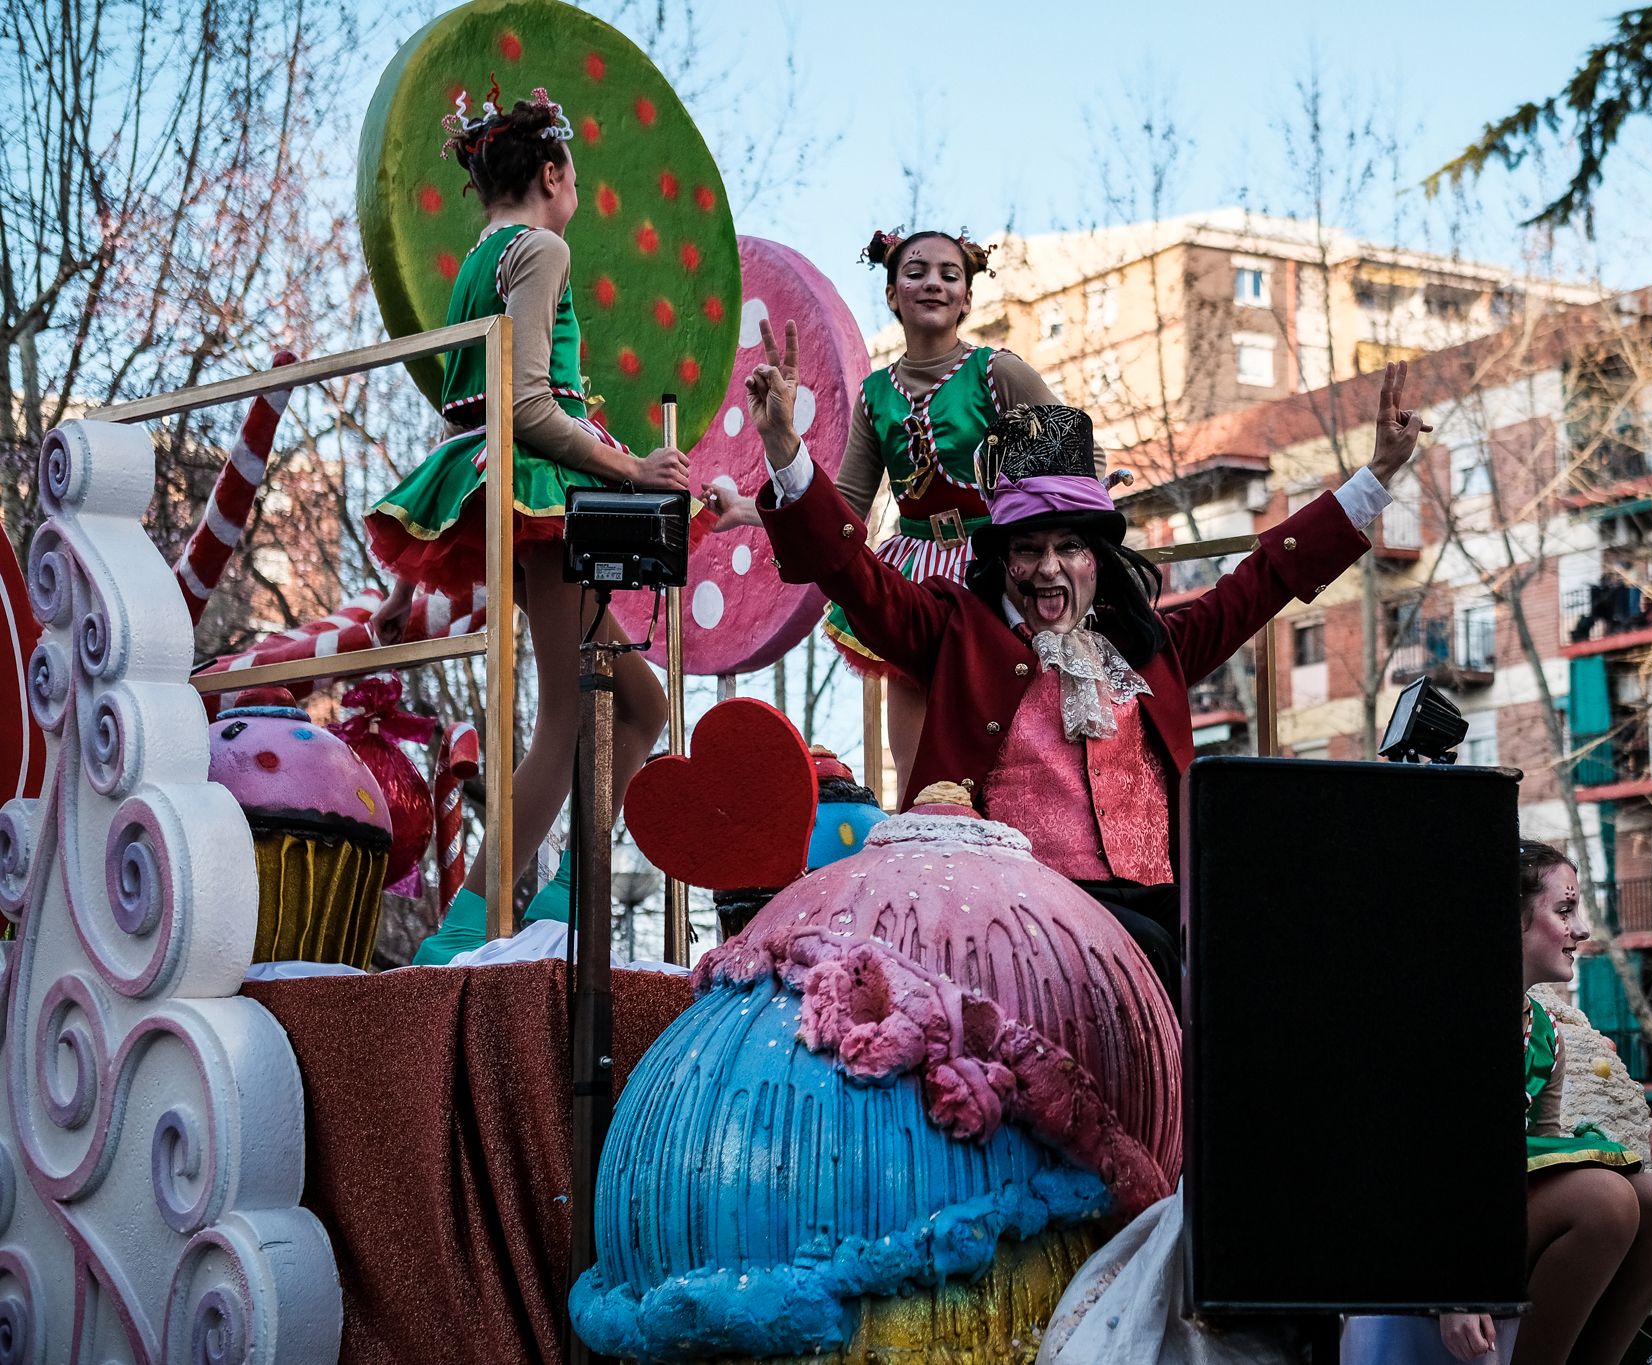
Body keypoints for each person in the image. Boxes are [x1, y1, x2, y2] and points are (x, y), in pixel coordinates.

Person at [713, 322, 1427, 984]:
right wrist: (786, 451)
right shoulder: (953, 632)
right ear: (1004, 559)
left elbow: (1263, 581)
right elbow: (852, 573)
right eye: (1028, 549)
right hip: (1014, 928)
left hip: (1159, 923)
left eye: (1069, 548)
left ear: (1097, 559)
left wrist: (1376, 478)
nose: (1048, 569)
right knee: (1140, 956)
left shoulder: (1150, 650)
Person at [361, 85, 689, 963]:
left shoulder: (477, 260)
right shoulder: (542, 246)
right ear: (551, 173)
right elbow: (526, 405)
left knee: (640, 704)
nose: (575, 194)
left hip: (504, 495)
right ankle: (476, 916)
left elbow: (464, 418)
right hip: (544, 502)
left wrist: (401, 587)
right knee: (568, 716)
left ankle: (562, 893)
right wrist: (634, 467)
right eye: (574, 177)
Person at [707, 229, 1060, 776]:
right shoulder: (876, 395)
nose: (933, 283)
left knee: (1004, 750)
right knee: (916, 762)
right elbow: (843, 508)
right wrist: (748, 509)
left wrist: (1069, 543)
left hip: (993, 572)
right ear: (893, 293)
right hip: (914, 574)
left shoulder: (998, 373)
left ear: (967, 297)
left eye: (950, 274)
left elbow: (1076, 456)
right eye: (916, 272)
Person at [1418, 842, 1652, 1365]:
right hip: (1434, 1228)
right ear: (1505, 916)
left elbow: (1545, 1151)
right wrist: (1454, 1280)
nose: (1582, 929)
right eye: (1565, 910)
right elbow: (1416, 1161)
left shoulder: (1545, 1033)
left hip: (1495, 1211)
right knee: (1601, 1200)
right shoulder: (1441, 1021)